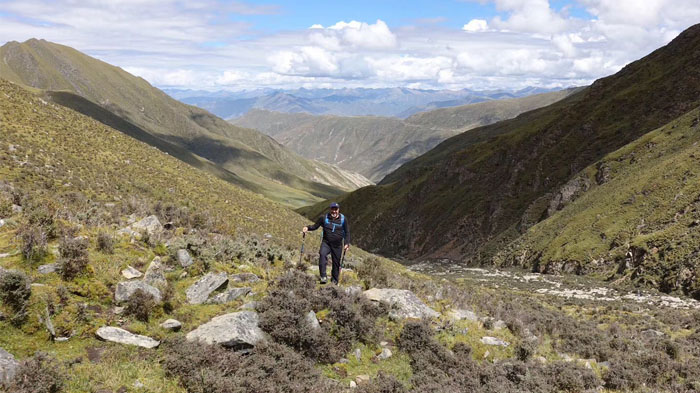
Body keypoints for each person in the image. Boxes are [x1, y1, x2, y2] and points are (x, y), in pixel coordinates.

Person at [302, 202, 350, 285]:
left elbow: (347, 232)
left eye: (336, 209)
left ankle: (334, 281)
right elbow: (315, 226)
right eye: (332, 209)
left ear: (338, 210)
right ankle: (323, 277)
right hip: (326, 243)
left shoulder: (343, 219)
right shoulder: (324, 218)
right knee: (322, 254)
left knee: (336, 263)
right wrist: (307, 228)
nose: (334, 211)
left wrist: (347, 243)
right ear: (330, 209)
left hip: (337, 245)